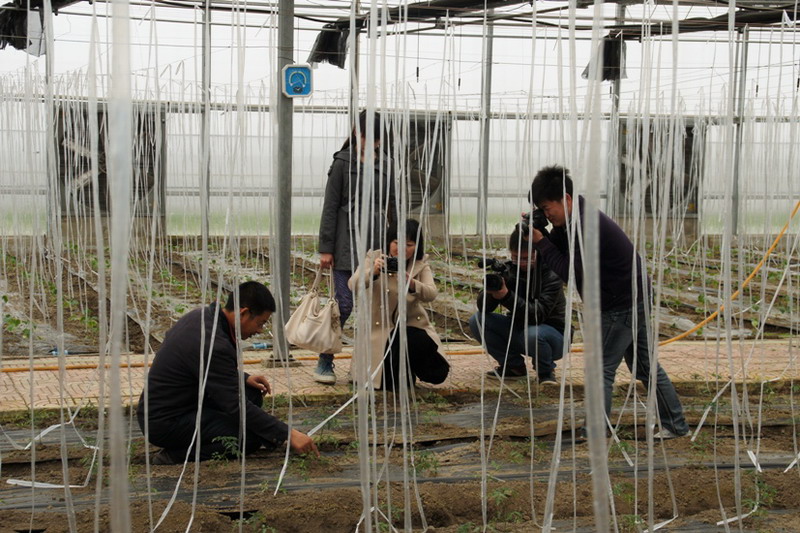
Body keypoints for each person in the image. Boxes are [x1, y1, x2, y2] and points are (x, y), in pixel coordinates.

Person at [528, 165, 689, 438]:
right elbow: (566, 251)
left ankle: (595, 431)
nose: (546, 214)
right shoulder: (576, 218)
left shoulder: (585, 226)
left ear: (565, 199)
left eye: (546, 208)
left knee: (600, 370)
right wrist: (547, 232)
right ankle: (676, 425)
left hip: (620, 304)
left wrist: (542, 242)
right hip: (632, 296)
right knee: (645, 367)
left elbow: (570, 271)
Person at [137, 281, 318, 464]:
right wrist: (288, 434)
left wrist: (243, 378)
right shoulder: (214, 343)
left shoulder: (202, 317)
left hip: (181, 403)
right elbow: (234, 405)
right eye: (260, 323)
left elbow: (200, 367)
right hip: (166, 422)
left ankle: (209, 431)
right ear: (243, 313)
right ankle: (174, 456)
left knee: (251, 393)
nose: (259, 330)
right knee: (249, 438)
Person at [315, 110, 395, 385]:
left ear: (380, 140)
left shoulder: (387, 165)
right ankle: (325, 360)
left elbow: (393, 206)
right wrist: (326, 248)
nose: (368, 142)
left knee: (375, 307)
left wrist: (394, 244)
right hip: (344, 243)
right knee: (344, 304)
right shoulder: (342, 162)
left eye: (374, 138)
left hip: (376, 243)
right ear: (356, 133)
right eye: (363, 136)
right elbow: (330, 206)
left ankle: (365, 365)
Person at [349, 219, 450, 391]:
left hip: (410, 327)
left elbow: (431, 293)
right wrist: (373, 271)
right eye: (397, 243)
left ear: (416, 246)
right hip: (379, 329)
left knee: (435, 367)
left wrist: (411, 282)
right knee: (389, 384)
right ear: (389, 241)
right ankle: (397, 373)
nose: (402, 248)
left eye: (409, 245)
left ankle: (412, 369)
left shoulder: (419, 264)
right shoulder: (374, 257)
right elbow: (353, 284)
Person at [468, 225, 567, 384]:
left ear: (539, 253)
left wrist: (507, 296)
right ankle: (513, 367)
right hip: (521, 330)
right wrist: (492, 292)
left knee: (534, 334)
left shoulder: (551, 273)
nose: (522, 263)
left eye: (527, 258)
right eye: (516, 257)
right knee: (477, 320)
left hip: (552, 335)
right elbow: (483, 308)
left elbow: (537, 315)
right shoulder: (509, 269)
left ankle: (546, 372)